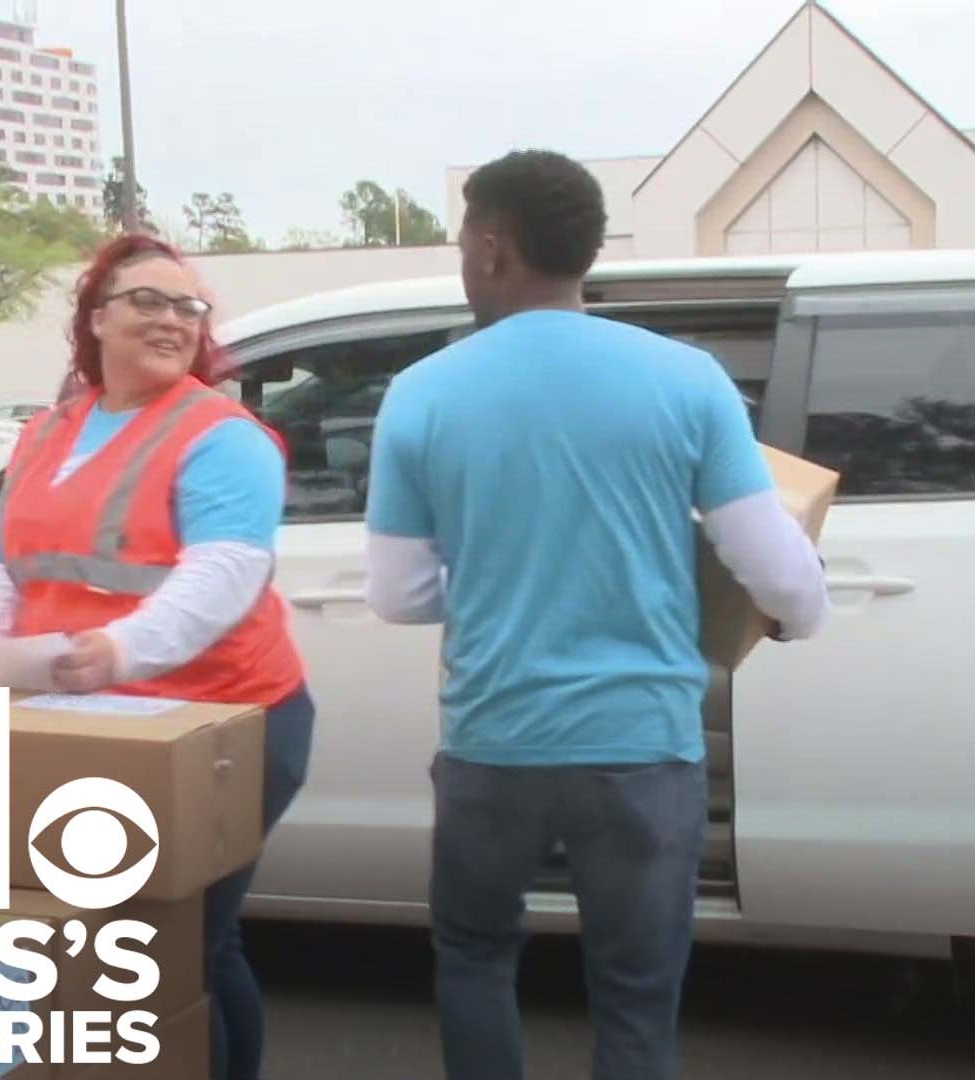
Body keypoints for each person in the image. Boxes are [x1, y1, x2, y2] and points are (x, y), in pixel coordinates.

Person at [364, 150, 830, 1080]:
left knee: (475, 958)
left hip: (494, 745)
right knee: (636, 992)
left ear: (493, 248)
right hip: (645, 748)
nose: (463, 260)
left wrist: (501, 579)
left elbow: (398, 594)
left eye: (464, 240)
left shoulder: (422, 392)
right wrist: (798, 617)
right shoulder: (687, 379)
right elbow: (775, 570)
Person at [0, 233, 314, 1080]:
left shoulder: (223, 436)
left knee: (180, 945)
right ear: (96, 318)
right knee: (177, 945)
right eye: (147, 302)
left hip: (224, 725)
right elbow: (3, 572)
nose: (172, 320)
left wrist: (117, 650)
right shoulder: (49, 432)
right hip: (97, 723)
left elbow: (224, 574)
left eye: (188, 306)